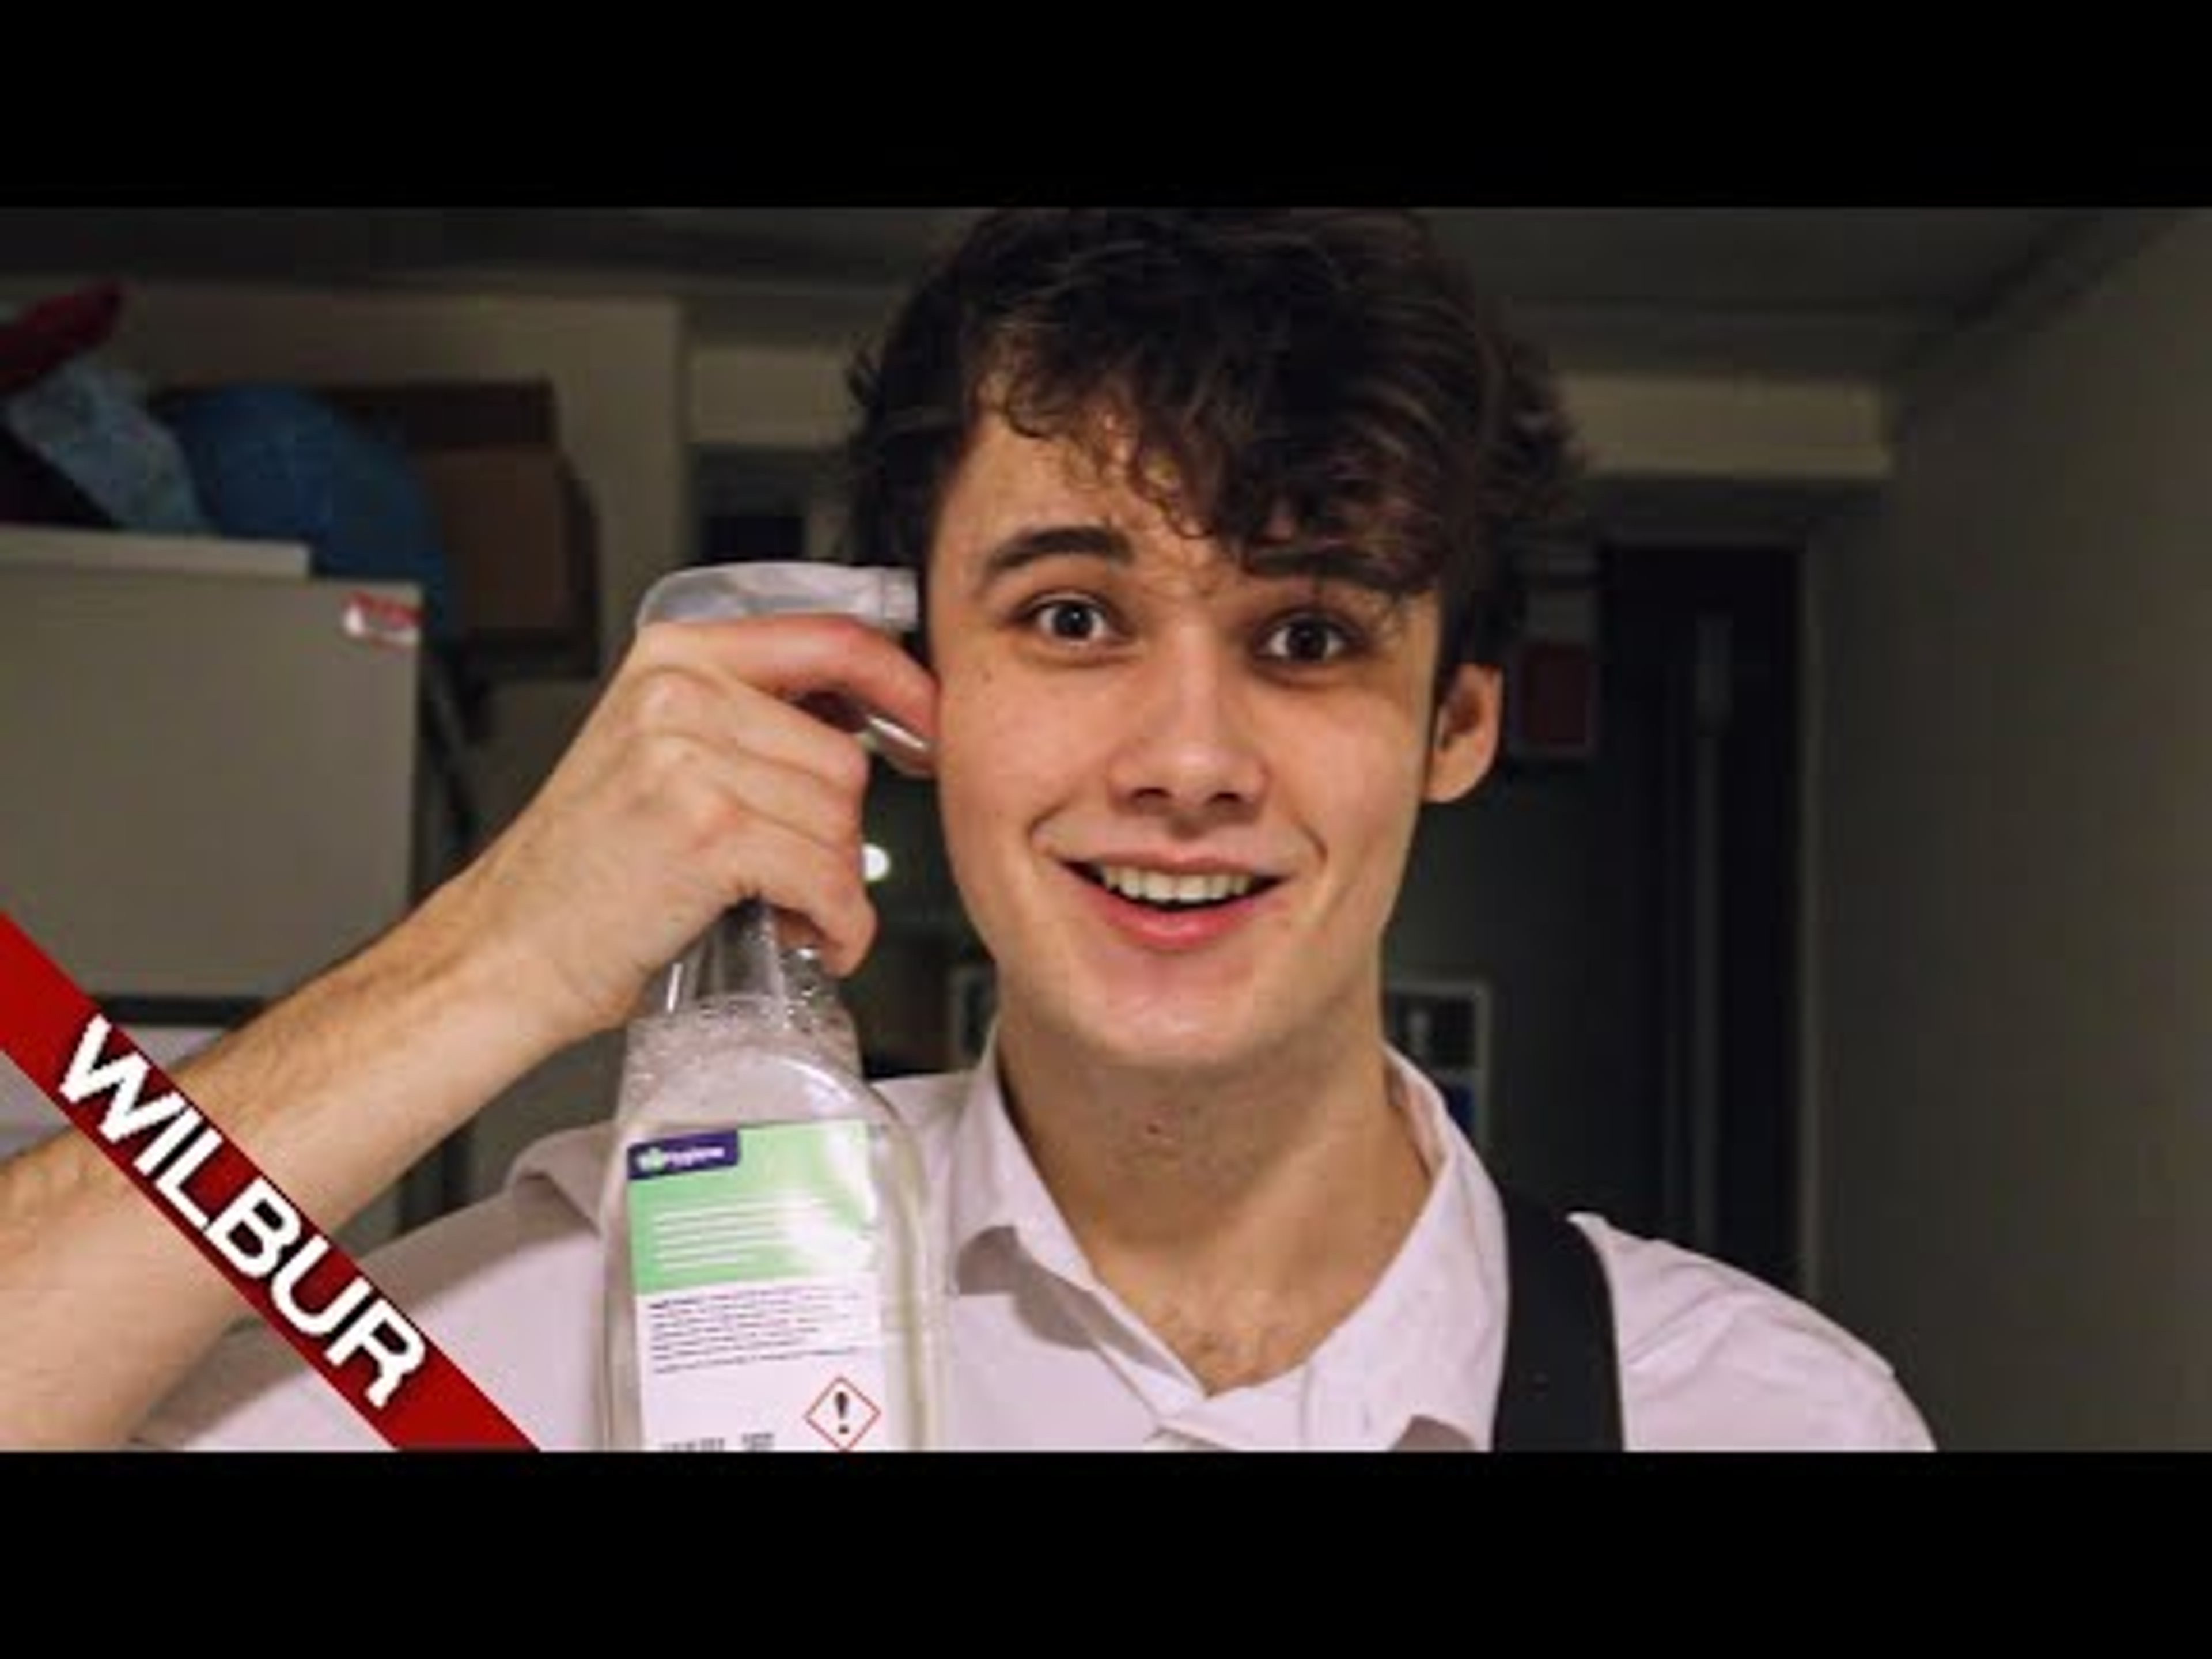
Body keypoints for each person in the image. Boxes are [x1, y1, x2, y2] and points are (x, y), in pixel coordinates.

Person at [0, 208, 1933, 1452]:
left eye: (1310, 633)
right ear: (912, 689)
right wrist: (496, 955)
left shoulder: (1762, 1414)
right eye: (1075, 617)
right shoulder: (642, 1279)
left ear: (1462, 723)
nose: (1189, 757)